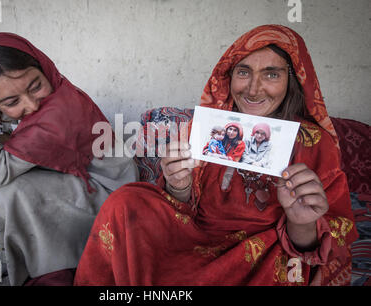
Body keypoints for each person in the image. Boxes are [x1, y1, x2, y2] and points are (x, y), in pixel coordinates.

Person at [74, 25, 358, 286]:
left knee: (287, 262)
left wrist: (301, 222)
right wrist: (178, 185)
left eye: (272, 74)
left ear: (293, 80)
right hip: (196, 235)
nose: (254, 88)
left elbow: (326, 242)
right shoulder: (210, 128)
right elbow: (180, 208)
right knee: (127, 201)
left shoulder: (314, 141)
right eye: (244, 72)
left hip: (262, 250)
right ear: (229, 75)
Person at [0, 33, 138, 286]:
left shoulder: (59, 112)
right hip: (77, 179)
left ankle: (55, 271)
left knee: (9, 192)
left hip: (108, 194)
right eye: (12, 101)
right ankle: (31, 262)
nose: (32, 105)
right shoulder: (48, 95)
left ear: (43, 68)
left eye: (35, 86)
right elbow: (9, 120)